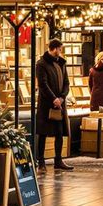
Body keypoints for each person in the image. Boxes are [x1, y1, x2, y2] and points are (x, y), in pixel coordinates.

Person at [35, 39, 73, 172]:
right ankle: (41, 162)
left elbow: (67, 83)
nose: (60, 52)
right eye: (59, 49)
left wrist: (61, 98)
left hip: (60, 104)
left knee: (59, 132)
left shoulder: (61, 63)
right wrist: (53, 99)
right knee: (43, 133)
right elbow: (43, 84)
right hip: (46, 104)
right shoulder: (41, 64)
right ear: (54, 49)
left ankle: (58, 160)